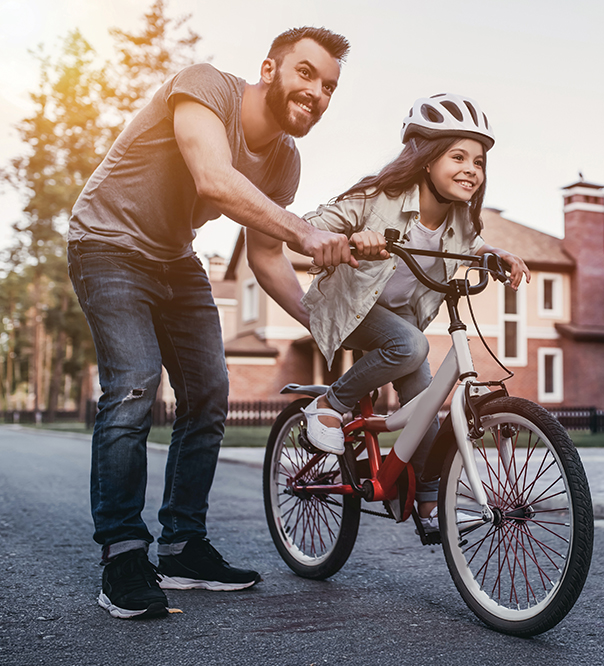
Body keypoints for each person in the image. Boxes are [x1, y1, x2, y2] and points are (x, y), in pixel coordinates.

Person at [67, 27, 354, 620]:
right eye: (306, 73)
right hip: (105, 243)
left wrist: (320, 322)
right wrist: (306, 230)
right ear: (270, 69)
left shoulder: (283, 161)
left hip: (173, 256)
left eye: (328, 86)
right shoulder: (204, 88)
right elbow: (213, 179)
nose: (317, 93)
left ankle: (180, 546)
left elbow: (266, 258)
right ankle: (124, 555)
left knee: (210, 393)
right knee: (134, 385)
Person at [257, 93, 529, 533]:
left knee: (424, 405)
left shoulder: (462, 218)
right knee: (411, 345)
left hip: (399, 321)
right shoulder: (376, 195)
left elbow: (472, 246)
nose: (471, 170)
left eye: (478, 161)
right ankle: (330, 404)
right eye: (457, 156)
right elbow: (309, 225)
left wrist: (496, 253)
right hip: (349, 308)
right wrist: (348, 238)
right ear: (425, 159)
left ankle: (426, 503)